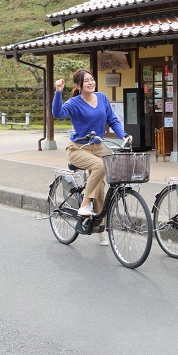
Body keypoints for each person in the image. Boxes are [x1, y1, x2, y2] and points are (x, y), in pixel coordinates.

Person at [52, 68, 131, 246]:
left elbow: (112, 120)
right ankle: (84, 204)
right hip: (78, 149)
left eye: (92, 79)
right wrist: (58, 92)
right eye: (86, 80)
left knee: (101, 189)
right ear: (79, 85)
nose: (91, 82)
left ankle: (101, 229)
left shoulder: (102, 98)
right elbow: (58, 113)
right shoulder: (74, 102)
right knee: (101, 167)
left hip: (98, 148)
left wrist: (123, 135)